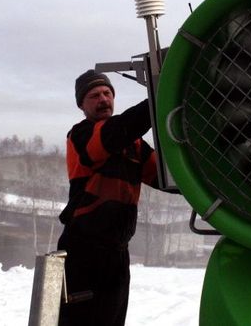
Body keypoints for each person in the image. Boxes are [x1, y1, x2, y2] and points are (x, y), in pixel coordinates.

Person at [57, 69, 158, 326]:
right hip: (83, 253)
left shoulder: (134, 145)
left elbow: (166, 175)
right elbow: (117, 131)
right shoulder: (81, 135)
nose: (103, 99)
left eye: (107, 93)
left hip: (117, 254)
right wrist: (160, 94)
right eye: (94, 96)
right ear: (82, 105)